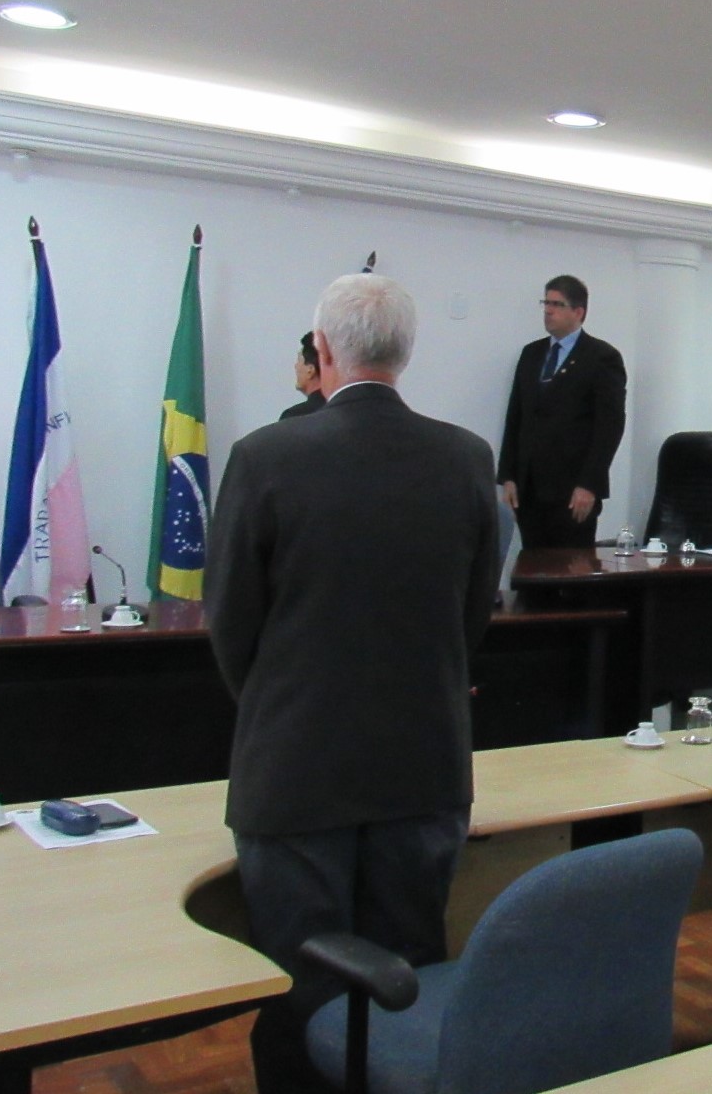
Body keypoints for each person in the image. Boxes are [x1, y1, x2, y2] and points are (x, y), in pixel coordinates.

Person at [208, 273, 501, 1094]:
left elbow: (230, 621)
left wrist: (283, 706)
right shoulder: (466, 459)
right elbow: (471, 615)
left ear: (322, 349)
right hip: (423, 766)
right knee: (409, 981)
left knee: (301, 988)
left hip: (296, 772)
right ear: (405, 353)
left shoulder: (265, 457)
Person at [498, 274, 628, 549]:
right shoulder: (532, 354)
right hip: (529, 488)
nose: (548, 310)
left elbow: (610, 427)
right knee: (533, 565)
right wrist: (508, 476)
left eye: (557, 304)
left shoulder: (602, 357)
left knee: (571, 566)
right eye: (546, 303)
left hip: (573, 490)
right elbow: (516, 416)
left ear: (578, 312)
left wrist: (589, 484)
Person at [278, 330, 324, 420]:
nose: (296, 366)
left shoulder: (294, 416)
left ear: (310, 370)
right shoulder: (348, 411)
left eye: (299, 360)